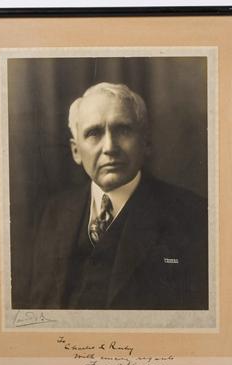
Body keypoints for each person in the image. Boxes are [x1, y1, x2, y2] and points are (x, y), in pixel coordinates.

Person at [23, 82, 208, 310]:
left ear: (145, 142)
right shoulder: (52, 215)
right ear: (76, 151)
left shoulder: (193, 215)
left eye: (123, 130)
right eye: (94, 133)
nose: (110, 147)